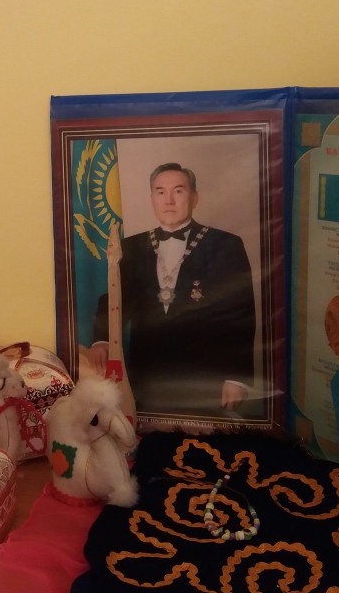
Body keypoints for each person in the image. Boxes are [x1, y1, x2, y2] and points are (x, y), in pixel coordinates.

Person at [90, 163, 256, 416]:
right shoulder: (132, 246)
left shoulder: (225, 245)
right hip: (146, 375)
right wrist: (102, 339)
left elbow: (241, 314)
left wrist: (237, 377)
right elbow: (116, 298)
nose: (168, 200)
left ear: (195, 197)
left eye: (178, 191)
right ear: (152, 199)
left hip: (205, 375)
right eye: (160, 192)